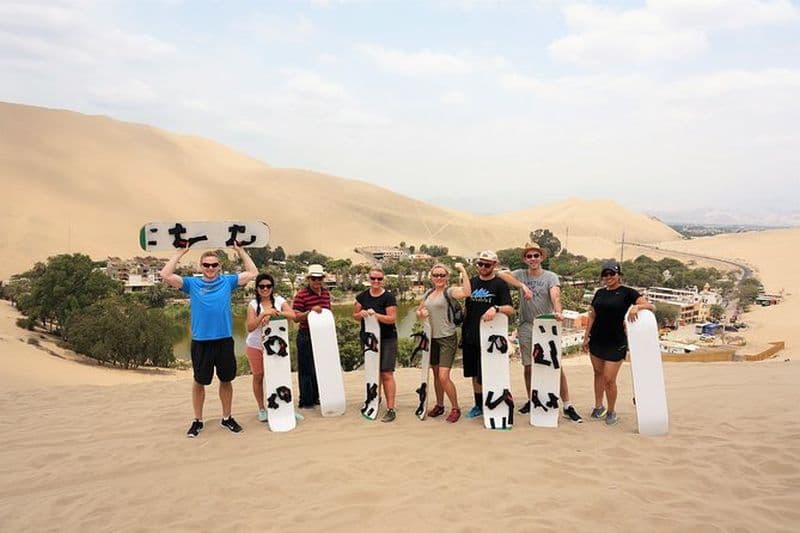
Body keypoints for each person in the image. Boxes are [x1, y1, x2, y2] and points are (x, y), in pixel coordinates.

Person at [160, 244, 258, 438]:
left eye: (214, 265)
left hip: (224, 340)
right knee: (199, 381)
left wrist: (241, 251)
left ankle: (227, 417)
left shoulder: (228, 281)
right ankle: (197, 421)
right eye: (206, 265)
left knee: (226, 380)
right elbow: (165, 274)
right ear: (200, 266)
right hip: (201, 341)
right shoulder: (191, 284)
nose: (210, 269)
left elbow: (253, 272)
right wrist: (180, 253)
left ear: (219, 266)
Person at [498, 243, 584, 423]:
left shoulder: (551, 277)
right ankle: (532, 400)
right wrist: (522, 286)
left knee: (555, 366)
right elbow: (500, 274)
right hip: (526, 325)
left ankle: (567, 405)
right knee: (528, 367)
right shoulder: (520, 274)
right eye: (529, 256)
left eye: (536, 256)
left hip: (546, 325)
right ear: (525, 259)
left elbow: (555, 296)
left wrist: (558, 310)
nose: (533, 259)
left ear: (542, 257)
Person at [582, 260, 654, 426]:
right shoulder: (599, 293)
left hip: (616, 342)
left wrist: (637, 308)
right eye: (605, 274)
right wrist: (586, 337)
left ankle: (612, 410)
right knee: (597, 374)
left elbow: (650, 305)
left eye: (612, 274)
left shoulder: (628, 292)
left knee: (609, 379)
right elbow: (592, 315)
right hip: (597, 340)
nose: (608, 277)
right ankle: (598, 406)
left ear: (619, 275)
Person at [460, 251, 514, 419]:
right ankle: (478, 405)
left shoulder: (499, 284)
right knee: (474, 373)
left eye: (487, 264)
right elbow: (467, 307)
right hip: (471, 334)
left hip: (491, 338)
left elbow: (510, 309)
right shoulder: (472, 283)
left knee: (490, 371)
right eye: (480, 264)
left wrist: (496, 308)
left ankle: (493, 402)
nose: (483, 267)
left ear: (494, 265)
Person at [415, 262, 471, 423]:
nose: (439, 278)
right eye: (436, 275)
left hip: (447, 338)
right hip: (431, 339)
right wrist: (421, 314)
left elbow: (467, 292)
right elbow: (419, 311)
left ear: (447, 277)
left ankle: (455, 408)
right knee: (436, 375)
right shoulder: (427, 294)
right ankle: (439, 405)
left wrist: (462, 270)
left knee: (443, 376)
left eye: (442, 275)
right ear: (431, 277)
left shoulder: (450, 291)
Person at [244, 273, 296, 422]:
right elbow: (250, 327)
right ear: (257, 288)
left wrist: (275, 313)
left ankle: (285, 408)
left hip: (276, 348)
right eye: (262, 286)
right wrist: (263, 315)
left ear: (272, 287)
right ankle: (262, 408)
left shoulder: (279, 301)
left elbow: (292, 315)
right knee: (258, 377)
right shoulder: (253, 305)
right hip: (256, 346)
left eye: (268, 286)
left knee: (280, 376)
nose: (265, 289)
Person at [354, 267, 399, 423]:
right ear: (369, 278)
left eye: (379, 279)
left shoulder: (389, 297)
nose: (376, 281)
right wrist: (361, 314)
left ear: (383, 280)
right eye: (373, 278)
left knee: (386, 373)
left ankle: (391, 408)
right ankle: (374, 400)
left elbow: (392, 319)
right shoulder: (362, 296)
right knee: (373, 372)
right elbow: (355, 316)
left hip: (387, 339)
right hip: (369, 338)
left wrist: (375, 315)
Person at [292, 264, 331, 409]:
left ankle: (316, 397)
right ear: (309, 279)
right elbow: (295, 317)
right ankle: (306, 400)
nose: (317, 281)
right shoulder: (301, 294)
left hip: (323, 335)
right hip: (306, 335)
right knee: (306, 369)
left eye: (319, 278)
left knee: (320, 368)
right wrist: (310, 312)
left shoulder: (326, 293)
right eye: (314, 278)